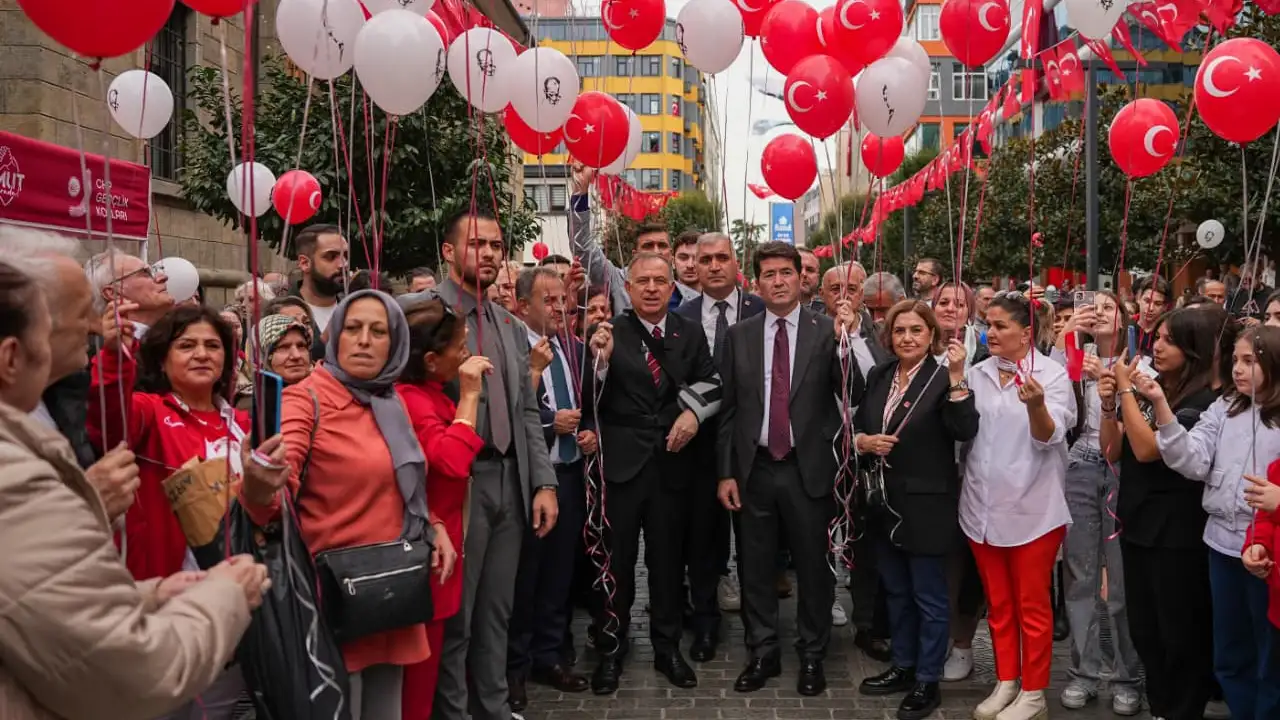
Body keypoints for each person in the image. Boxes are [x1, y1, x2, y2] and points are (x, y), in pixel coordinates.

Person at [0, 261, 269, 720]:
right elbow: (110, 419)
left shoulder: (243, 421)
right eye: (186, 345)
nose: (201, 354)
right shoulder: (148, 410)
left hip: (238, 592)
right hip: (177, 606)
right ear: (162, 359)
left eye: (212, 346)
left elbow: (269, 506)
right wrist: (114, 356)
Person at [239, 289, 458, 720]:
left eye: (378, 331)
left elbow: (403, 483)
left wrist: (434, 525)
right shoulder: (307, 399)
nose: (364, 340)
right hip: (334, 599)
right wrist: (261, 483)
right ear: (335, 335)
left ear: (395, 342)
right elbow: (279, 483)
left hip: (392, 592)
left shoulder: (390, 400)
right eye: (353, 328)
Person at [716, 242, 864, 697]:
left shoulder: (826, 331)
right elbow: (727, 410)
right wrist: (726, 472)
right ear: (756, 283)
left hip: (808, 467)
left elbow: (854, 392)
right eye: (769, 274)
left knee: (814, 568)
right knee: (755, 566)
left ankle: (813, 654)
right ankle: (762, 651)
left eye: (785, 272)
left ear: (802, 278)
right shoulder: (739, 335)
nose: (778, 281)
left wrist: (848, 342)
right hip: (754, 469)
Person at [434, 209, 559, 720]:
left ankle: (494, 707)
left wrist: (543, 482)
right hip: (458, 483)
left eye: (495, 245)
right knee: (456, 618)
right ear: (448, 251)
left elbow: (527, 408)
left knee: (496, 612)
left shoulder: (508, 324)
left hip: (512, 479)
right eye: (476, 244)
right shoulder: (427, 315)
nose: (488, 254)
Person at [582, 251, 722, 694]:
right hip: (622, 464)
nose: (651, 288)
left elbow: (713, 381)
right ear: (628, 287)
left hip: (672, 463)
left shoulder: (689, 331)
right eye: (642, 281)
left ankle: (667, 648)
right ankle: (611, 648)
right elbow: (588, 396)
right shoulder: (609, 332)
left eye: (660, 281)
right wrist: (600, 362)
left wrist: (693, 415)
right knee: (617, 564)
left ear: (672, 286)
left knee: (667, 563)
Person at [1146, 324, 1280, 719]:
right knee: (1231, 652)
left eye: (1250, 361)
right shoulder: (1225, 407)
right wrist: (1162, 407)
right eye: (1235, 359)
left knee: (1270, 654)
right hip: (1222, 545)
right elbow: (1193, 459)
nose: (1237, 369)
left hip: (1269, 552)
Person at [854, 300, 978, 720]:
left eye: (916, 330)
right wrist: (863, 442)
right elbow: (859, 423)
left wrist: (958, 380)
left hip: (927, 505)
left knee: (929, 596)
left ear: (931, 336)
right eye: (900, 331)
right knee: (896, 591)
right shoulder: (880, 374)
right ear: (889, 337)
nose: (907, 338)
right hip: (883, 502)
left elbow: (964, 428)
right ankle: (903, 666)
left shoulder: (943, 377)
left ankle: (928, 679)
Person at [1097, 307, 1219, 720]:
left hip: (1179, 531)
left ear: (1194, 348)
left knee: (1179, 632)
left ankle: (1182, 709)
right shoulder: (1154, 387)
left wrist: (1126, 389)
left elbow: (1149, 450)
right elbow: (1113, 449)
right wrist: (1109, 405)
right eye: (1158, 338)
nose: (1158, 347)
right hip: (1138, 523)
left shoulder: (1203, 401)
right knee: (1145, 629)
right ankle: (1161, 706)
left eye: (1169, 340)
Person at [962, 291, 1075, 720]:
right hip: (981, 508)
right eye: (987, 325)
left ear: (1026, 333)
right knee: (998, 604)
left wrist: (1036, 406)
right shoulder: (976, 373)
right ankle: (1007, 679)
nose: (990, 333)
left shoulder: (1053, 374)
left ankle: (1034, 691)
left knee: (1032, 606)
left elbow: (1050, 436)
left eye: (1000, 326)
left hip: (1033, 509)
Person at [395, 293, 487, 720]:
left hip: (442, 540)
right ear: (431, 360)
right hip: (427, 548)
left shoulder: (427, 391)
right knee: (416, 680)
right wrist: (469, 395)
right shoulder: (413, 400)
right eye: (460, 348)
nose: (466, 356)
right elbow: (450, 460)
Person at [675, 232, 765, 657]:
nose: (713, 266)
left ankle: (758, 629)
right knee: (702, 540)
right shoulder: (681, 315)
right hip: (698, 444)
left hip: (751, 444)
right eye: (705, 259)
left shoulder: (760, 308)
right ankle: (705, 623)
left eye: (721, 258)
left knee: (754, 541)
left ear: (736, 263)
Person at [507, 268, 593, 709]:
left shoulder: (575, 348)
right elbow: (507, 413)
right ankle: (514, 668)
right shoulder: (511, 349)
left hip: (571, 475)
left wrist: (590, 432)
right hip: (529, 480)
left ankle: (550, 655)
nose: (561, 308)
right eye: (550, 301)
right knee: (527, 577)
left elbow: (591, 404)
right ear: (523, 306)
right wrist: (548, 423)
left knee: (561, 574)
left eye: (564, 299)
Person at [1057, 290, 1142, 715]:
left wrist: (1113, 382)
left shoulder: (1138, 362)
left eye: (1110, 307)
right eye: (1094, 307)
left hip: (1123, 468)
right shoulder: (1077, 358)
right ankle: (1084, 673)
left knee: (1122, 578)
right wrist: (1068, 338)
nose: (1101, 313)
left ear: (1124, 317)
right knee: (1080, 575)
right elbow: (1051, 391)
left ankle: (1129, 677)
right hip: (1079, 464)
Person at [568, 165, 699, 313]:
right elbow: (583, 248)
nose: (655, 251)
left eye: (662, 245)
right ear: (635, 254)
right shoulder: (618, 282)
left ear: (671, 256)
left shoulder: (693, 300)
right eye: (648, 246)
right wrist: (580, 192)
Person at [86, 248, 173, 339]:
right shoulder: (109, 345)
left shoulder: (170, 338)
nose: (163, 277)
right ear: (113, 293)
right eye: (145, 272)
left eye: (155, 270)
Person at [291, 223, 350, 334]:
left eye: (346, 256)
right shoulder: (280, 312)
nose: (343, 264)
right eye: (331, 256)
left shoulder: (354, 309)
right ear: (304, 263)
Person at [257, 313, 315, 386]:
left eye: (301, 346)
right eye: (283, 347)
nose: (296, 355)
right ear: (264, 356)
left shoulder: (324, 387)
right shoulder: (252, 392)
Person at [1132, 275, 1170, 357]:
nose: (1151, 308)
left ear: (1165, 306)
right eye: (1147, 301)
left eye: (1158, 303)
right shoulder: (1126, 329)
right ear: (1138, 299)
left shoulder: (1169, 333)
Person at [797, 247, 823, 313]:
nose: (803, 273)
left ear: (818, 278)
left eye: (810, 270)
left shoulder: (831, 314)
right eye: (798, 268)